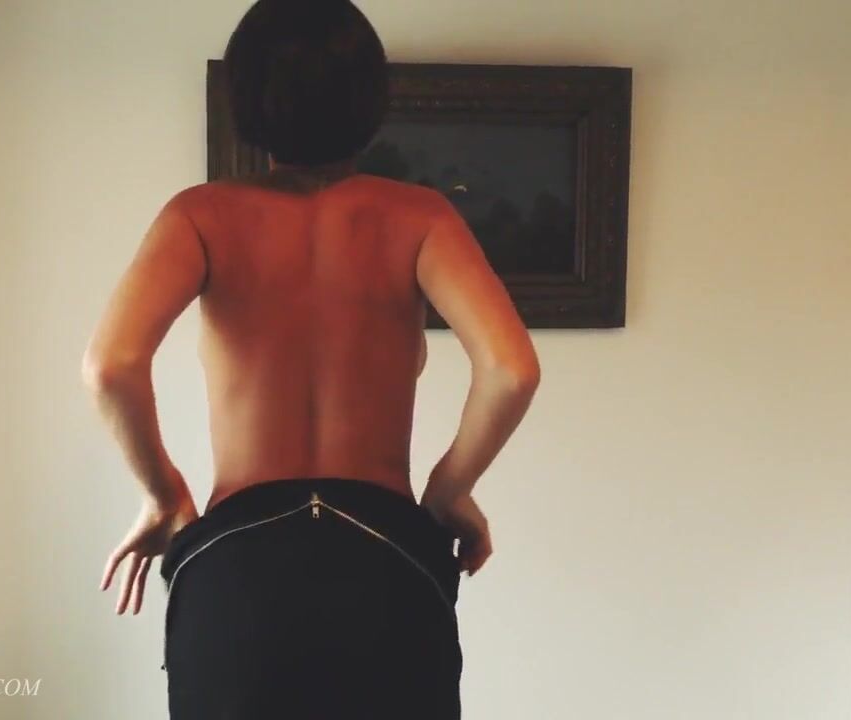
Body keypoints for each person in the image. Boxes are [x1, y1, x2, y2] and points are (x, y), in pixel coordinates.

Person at [81, 0, 540, 717]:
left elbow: (111, 364)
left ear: (245, 96)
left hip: (237, 566)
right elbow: (511, 370)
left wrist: (164, 496)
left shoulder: (200, 214)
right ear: (369, 97)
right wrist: (449, 492)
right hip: (386, 559)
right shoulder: (421, 217)